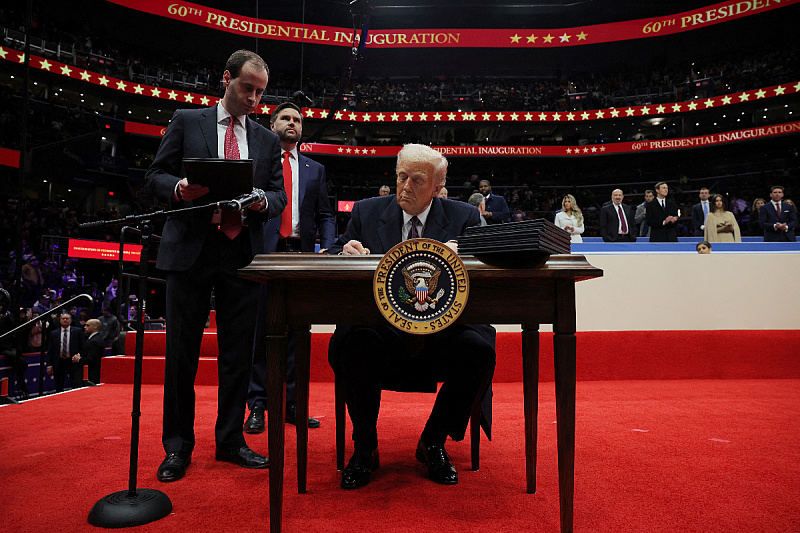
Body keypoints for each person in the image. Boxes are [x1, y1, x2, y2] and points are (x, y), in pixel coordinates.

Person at [145, 49, 287, 483]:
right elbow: (154, 176)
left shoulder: (266, 138)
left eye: (260, 93)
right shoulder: (187, 121)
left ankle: (229, 441)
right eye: (247, 88)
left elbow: (279, 195)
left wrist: (264, 200)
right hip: (191, 247)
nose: (253, 100)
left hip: (240, 251)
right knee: (181, 356)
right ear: (225, 79)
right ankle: (177, 447)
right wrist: (178, 189)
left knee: (237, 357)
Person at [327, 144, 496, 490]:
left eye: (417, 181)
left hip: (443, 333)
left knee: (479, 350)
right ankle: (365, 446)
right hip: (381, 333)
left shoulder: (464, 217)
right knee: (356, 342)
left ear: (437, 187)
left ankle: (433, 442)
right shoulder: (366, 212)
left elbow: (492, 258)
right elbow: (332, 252)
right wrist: (345, 252)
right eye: (401, 176)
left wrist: (469, 255)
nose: (405, 186)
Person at [244, 102, 336, 433]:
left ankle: (294, 404)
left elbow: (326, 213)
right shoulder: (259, 165)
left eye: (297, 119)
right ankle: (257, 404)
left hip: (301, 254)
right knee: (260, 330)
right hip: (264, 253)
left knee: (298, 332)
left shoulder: (315, 169)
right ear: (272, 124)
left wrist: (327, 247)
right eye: (286, 117)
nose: (292, 123)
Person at [47, 312, 85, 392]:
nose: (65, 320)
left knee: (75, 384)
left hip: (73, 361)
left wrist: (80, 360)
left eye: (67, 318)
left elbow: (82, 347)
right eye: (63, 318)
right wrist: (49, 365)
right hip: (59, 361)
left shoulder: (77, 331)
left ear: (70, 320)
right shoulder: (54, 333)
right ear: (60, 320)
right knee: (59, 385)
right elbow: (50, 350)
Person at [72, 318, 104, 384]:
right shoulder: (92, 339)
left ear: (95, 327)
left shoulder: (95, 341)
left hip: (92, 374)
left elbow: (91, 359)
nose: (85, 327)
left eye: (87, 325)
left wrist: (78, 359)